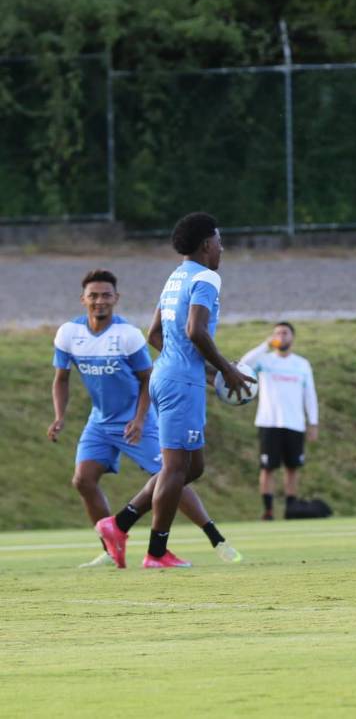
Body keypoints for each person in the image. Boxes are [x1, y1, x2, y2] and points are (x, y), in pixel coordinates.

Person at [50, 269, 241, 568]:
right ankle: (114, 545)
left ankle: (212, 534)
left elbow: (146, 379)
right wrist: (60, 416)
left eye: (106, 296)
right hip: (99, 422)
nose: (100, 301)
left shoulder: (126, 336)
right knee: (83, 480)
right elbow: (61, 379)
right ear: (83, 299)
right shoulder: (68, 335)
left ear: (116, 298)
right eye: (94, 295)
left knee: (175, 473)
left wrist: (139, 419)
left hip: (137, 420)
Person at [95, 213, 254, 569]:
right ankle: (156, 553)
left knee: (190, 467)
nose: (222, 248)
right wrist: (227, 368)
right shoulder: (207, 277)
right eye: (219, 240)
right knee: (176, 467)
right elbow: (196, 331)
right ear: (205, 245)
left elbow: (156, 334)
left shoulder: (174, 278)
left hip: (173, 376)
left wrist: (210, 370)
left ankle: (118, 524)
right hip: (180, 382)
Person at [241, 322, 319, 520]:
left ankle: (291, 509)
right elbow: (244, 364)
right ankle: (268, 510)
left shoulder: (301, 364)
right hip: (269, 422)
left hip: (295, 423)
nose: (280, 336)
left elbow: (310, 394)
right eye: (277, 333)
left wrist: (313, 422)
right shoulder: (265, 361)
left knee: (292, 467)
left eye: (284, 333)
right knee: (267, 468)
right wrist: (265, 345)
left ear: (292, 337)